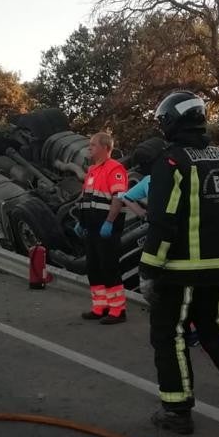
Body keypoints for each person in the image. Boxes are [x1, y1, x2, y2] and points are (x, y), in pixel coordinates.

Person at [140, 91, 219, 436]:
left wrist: (148, 271)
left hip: (178, 275)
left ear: (173, 122)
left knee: (170, 337)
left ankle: (177, 412)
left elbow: (162, 222)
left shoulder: (171, 162)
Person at [76, 132, 129, 324]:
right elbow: (87, 199)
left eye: (93, 145)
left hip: (106, 228)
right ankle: (100, 307)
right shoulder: (92, 170)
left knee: (109, 268)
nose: (89, 148)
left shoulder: (115, 168)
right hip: (91, 227)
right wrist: (80, 222)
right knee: (94, 268)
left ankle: (117, 310)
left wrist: (109, 222)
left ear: (105, 148)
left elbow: (118, 197)